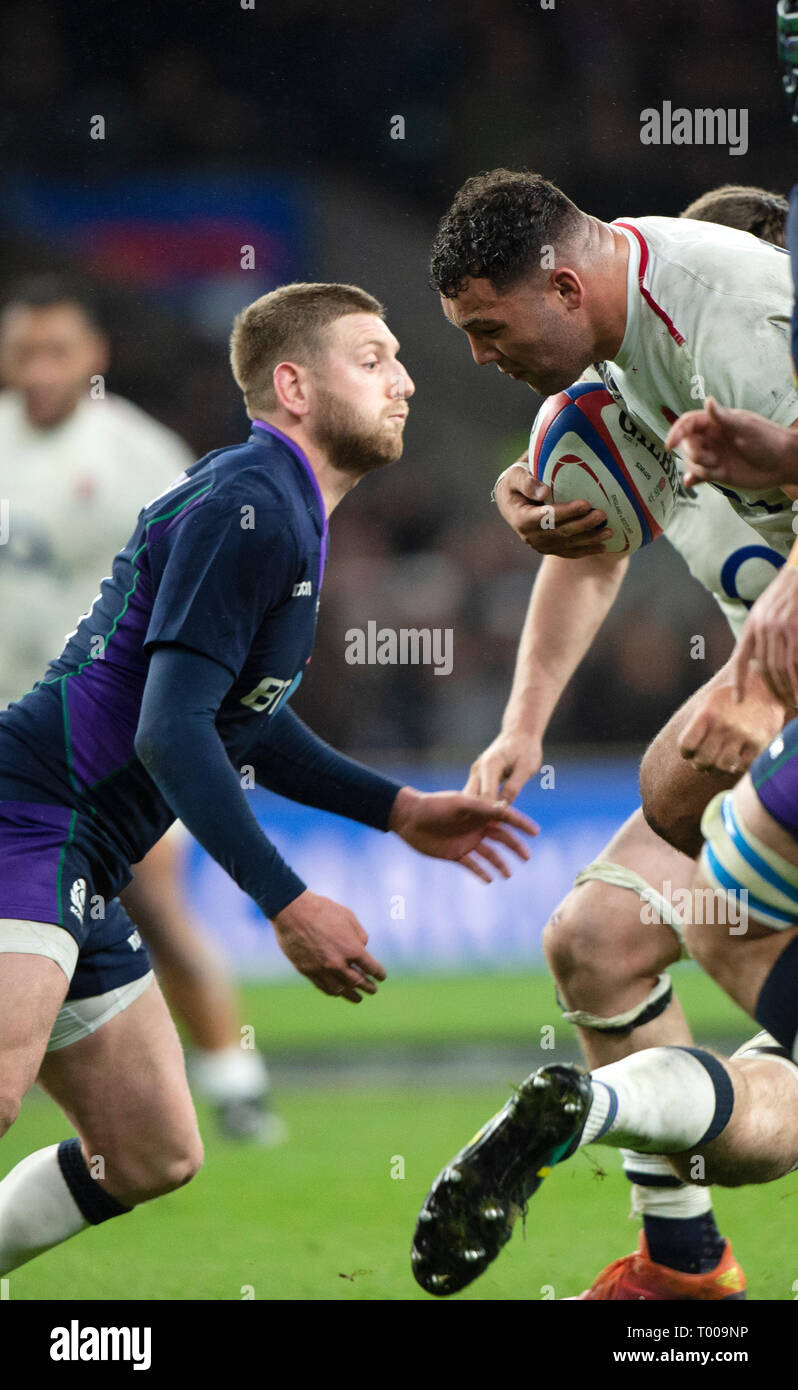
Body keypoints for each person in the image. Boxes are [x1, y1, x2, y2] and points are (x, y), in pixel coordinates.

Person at [0, 281, 537, 1278]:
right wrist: (285, 901)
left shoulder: (280, 502)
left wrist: (398, 807)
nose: (407, 381)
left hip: (86, 847)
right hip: (30, 817)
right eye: (373, 359)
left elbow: (241, 716)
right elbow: (172, 730)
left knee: (151, 1148)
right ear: (294, 384)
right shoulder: (253, 504)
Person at [429, 173, 798, 1298]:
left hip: (776, 706)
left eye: (491, 331)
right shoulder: (637, 374)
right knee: (597, 937)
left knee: (697, 852)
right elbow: (588, 545)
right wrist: (522, 725)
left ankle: (623, 1114)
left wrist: (754, 675)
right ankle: (679, 1264)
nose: (483, 359)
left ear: (569, 280)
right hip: (776, 708)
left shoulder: (740, 321)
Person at [0, 275, 280, 1142]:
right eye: (21, 353)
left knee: (153, 899)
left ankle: (235, 1076)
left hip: (104, 738)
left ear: (94, 358)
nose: (37, 370)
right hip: (13, 733)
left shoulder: (139, 456)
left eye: (55, 352)